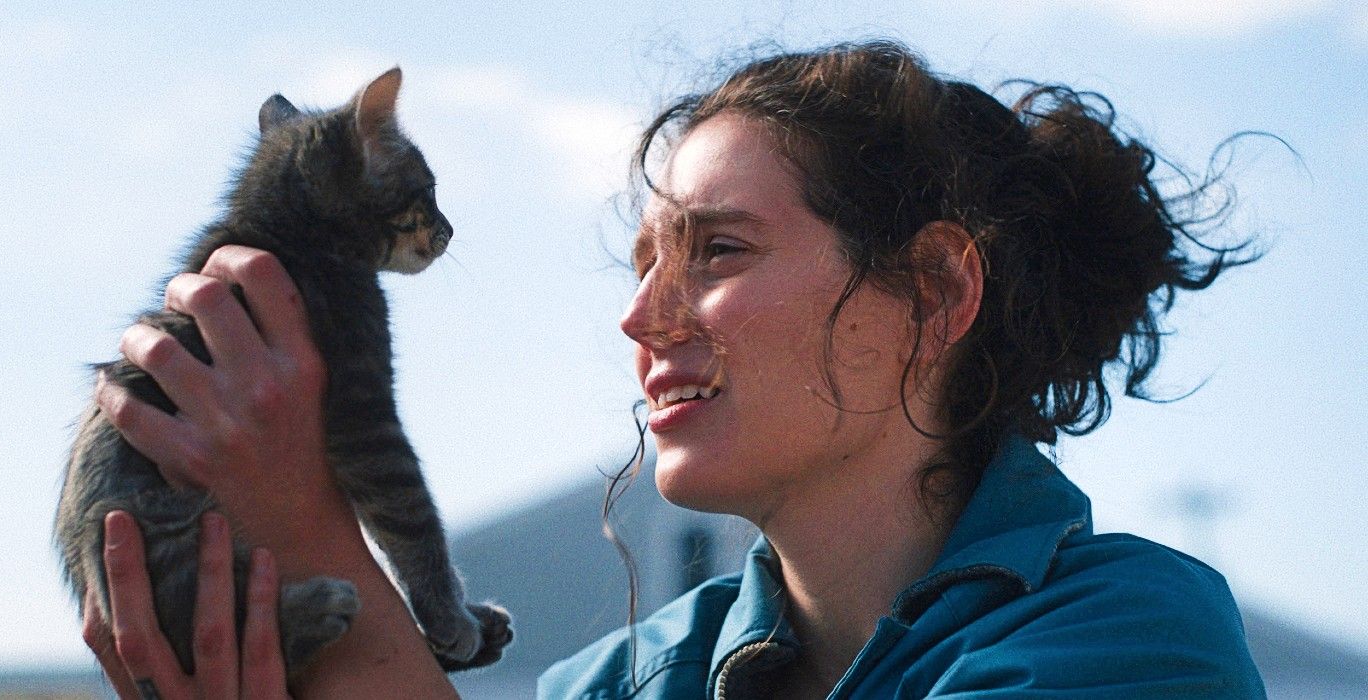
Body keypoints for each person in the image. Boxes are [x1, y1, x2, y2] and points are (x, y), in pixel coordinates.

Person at [87, 40, 1266, 698]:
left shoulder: (1135, 639)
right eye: (643, 258)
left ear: (939, 292)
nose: (639, 319)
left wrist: (313, 529)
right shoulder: (615, 685)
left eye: (717, 250)